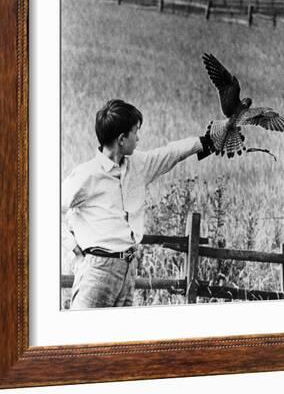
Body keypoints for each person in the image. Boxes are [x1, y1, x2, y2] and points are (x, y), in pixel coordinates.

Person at [61, 99, 215, 309]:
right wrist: (73, 247)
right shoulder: (87, 174)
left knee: (119, 340)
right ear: (122, 139)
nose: (139, 137)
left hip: (128, 268)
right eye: (135, 131)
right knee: (84, 338)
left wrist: (207, 140)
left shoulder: (138, 165)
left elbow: (170, 153)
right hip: (97, 271)